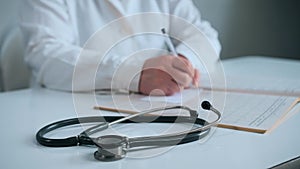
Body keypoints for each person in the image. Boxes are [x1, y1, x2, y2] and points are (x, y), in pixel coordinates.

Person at [19, 0, 221, 96]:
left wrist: (181, 63)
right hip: (70, 112)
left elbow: (204, 34)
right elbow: (45, 53)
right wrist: (133, 73)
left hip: (159, 108)